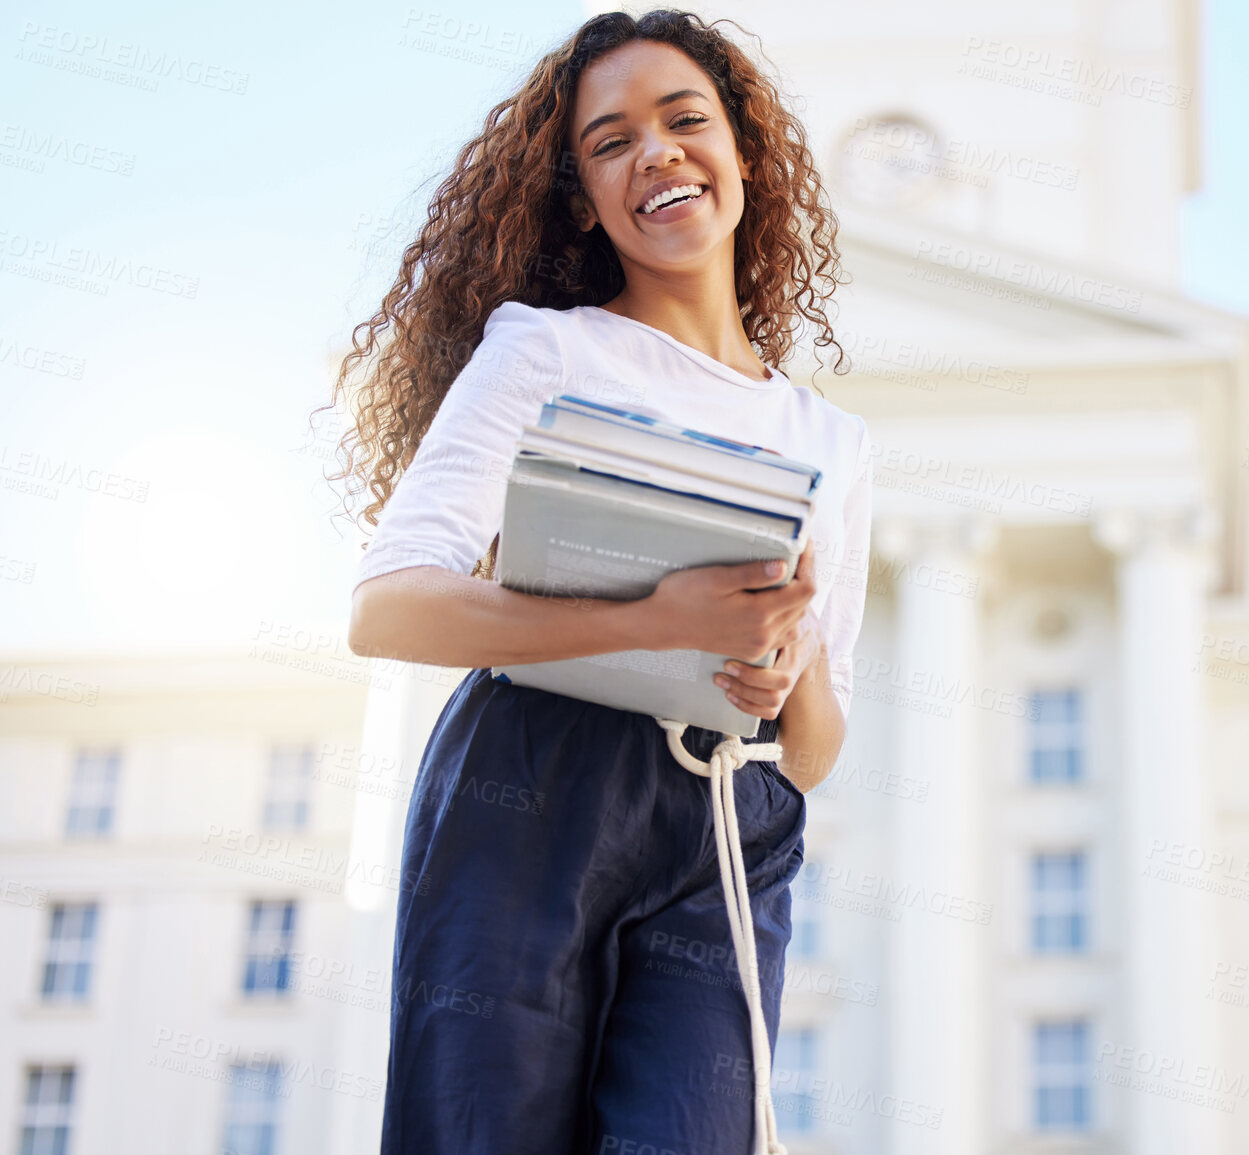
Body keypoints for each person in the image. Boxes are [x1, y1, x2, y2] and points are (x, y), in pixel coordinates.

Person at [320, 9, 872, 1152]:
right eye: (611, 142)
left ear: (744, 153)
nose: (657, 153)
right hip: (532, 791)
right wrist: (652, 617)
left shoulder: (831, 437)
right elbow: (389, 606)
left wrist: (789, 660)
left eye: (685, 120)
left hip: (727, 812)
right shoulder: (545, 348)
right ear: (582, 196)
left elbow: (812, 756)